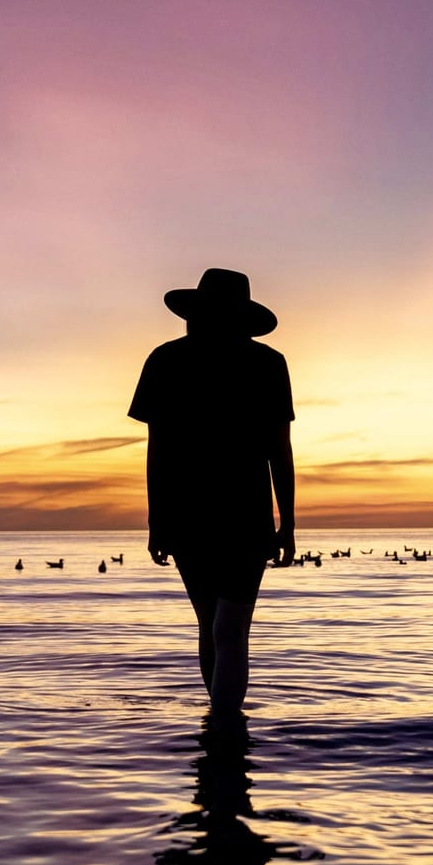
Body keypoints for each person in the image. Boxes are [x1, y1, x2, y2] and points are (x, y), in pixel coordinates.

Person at [129, 268, 296, 719]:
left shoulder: (166, 360)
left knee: (213, 625)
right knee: (229, 628)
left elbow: (157, 450)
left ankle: (220, 728)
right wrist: (288, 524)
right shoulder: (266, 363)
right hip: (242, 511)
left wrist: (156, 519)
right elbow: (279, 449)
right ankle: (225, 726)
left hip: (189, 511)